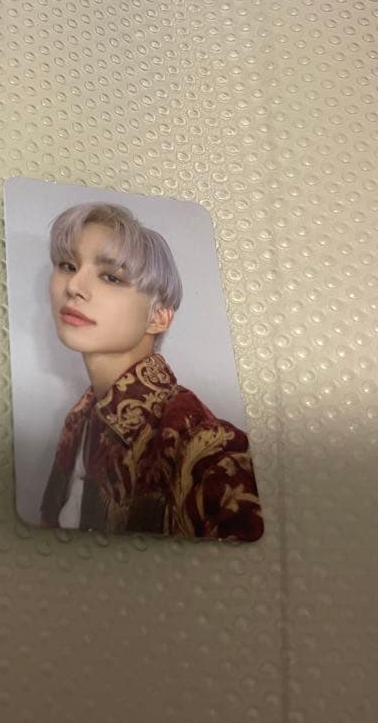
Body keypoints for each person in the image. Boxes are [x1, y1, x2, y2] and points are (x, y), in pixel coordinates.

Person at [39, 202, 263, 540]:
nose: (73, 286)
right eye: (68, 265)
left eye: (111, 277)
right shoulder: (78, 420)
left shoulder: (208, 449)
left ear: (159, 317)